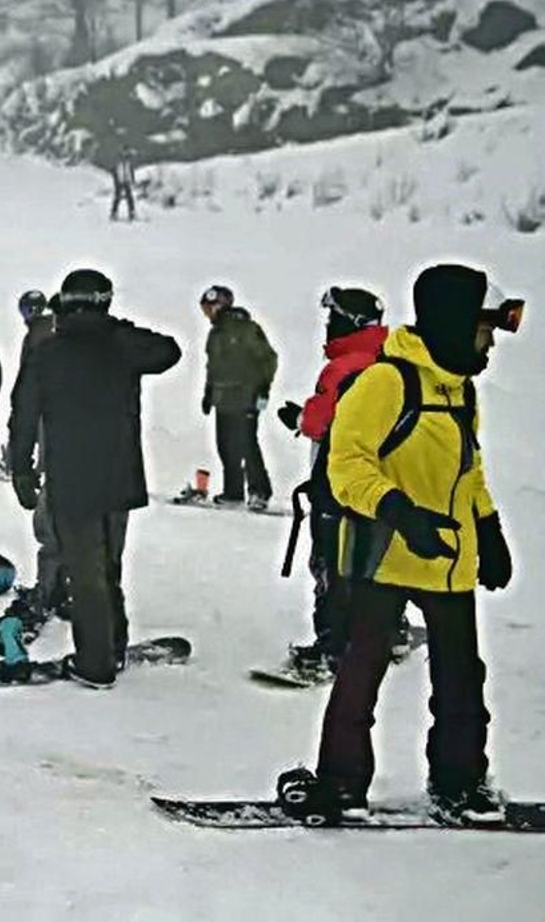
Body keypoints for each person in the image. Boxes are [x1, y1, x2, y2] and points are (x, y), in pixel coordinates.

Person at [308, 264, 522, 824]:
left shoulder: (459, 390)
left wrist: (490, 528)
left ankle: (460, 784)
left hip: (449, 561)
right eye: (484, 330)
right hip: (384, 556)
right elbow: (345, 465)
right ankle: (341, 783)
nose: (490, 342)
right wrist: (399, 512)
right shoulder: (386, 382)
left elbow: (468, 471)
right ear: (453, 324)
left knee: (461, 679)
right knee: (362, 671)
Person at [6, 270, 181, 687]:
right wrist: (111, 327)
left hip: (71, 476)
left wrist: (21, 468)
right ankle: (111, 646)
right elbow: (167, 351)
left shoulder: (48, 352)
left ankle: (96, 661)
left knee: (85, 572)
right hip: (118, 475)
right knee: (107, 567)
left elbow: (23, 414)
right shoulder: (120, 345)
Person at [274, 286, 388, 676]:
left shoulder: (344, 367)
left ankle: (333, 646)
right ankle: (384, 631)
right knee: (370, 564)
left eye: (332, 319)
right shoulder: (388, 358)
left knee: (331, 566)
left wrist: (298, 419)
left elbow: (322, 421)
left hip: (336, 484)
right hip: (379, 485)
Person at [5, 288, 65, 626]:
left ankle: (51, 588)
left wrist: (21, 464)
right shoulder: (47, 335)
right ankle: (63, 587)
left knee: (52, 516)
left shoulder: (42, 339)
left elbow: (26, 397)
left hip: (52, 431)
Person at [199, 284, 278, 510]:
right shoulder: (215, 334)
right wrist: (208, 393)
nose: (207, 315)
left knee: (247, 445)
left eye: (209, 309)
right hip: (222, 399)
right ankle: (233, 491)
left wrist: (263, 388)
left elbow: (268, 358)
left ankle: (259, 491)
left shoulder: (247, 329)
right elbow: (213, 367)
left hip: (245, 397)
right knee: (225, 446)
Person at [110, 150, 137, 222]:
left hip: (126, 182)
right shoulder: (118, 164)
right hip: (120, 182)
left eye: (126, 157)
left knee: (130, 198)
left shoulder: (129, 164)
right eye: (123, 156)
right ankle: (114, 213)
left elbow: (131, 173)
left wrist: (133, 181)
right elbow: (114, 173)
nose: (125, 158)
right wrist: (116, 182)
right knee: (117, 198)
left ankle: (132, 212)